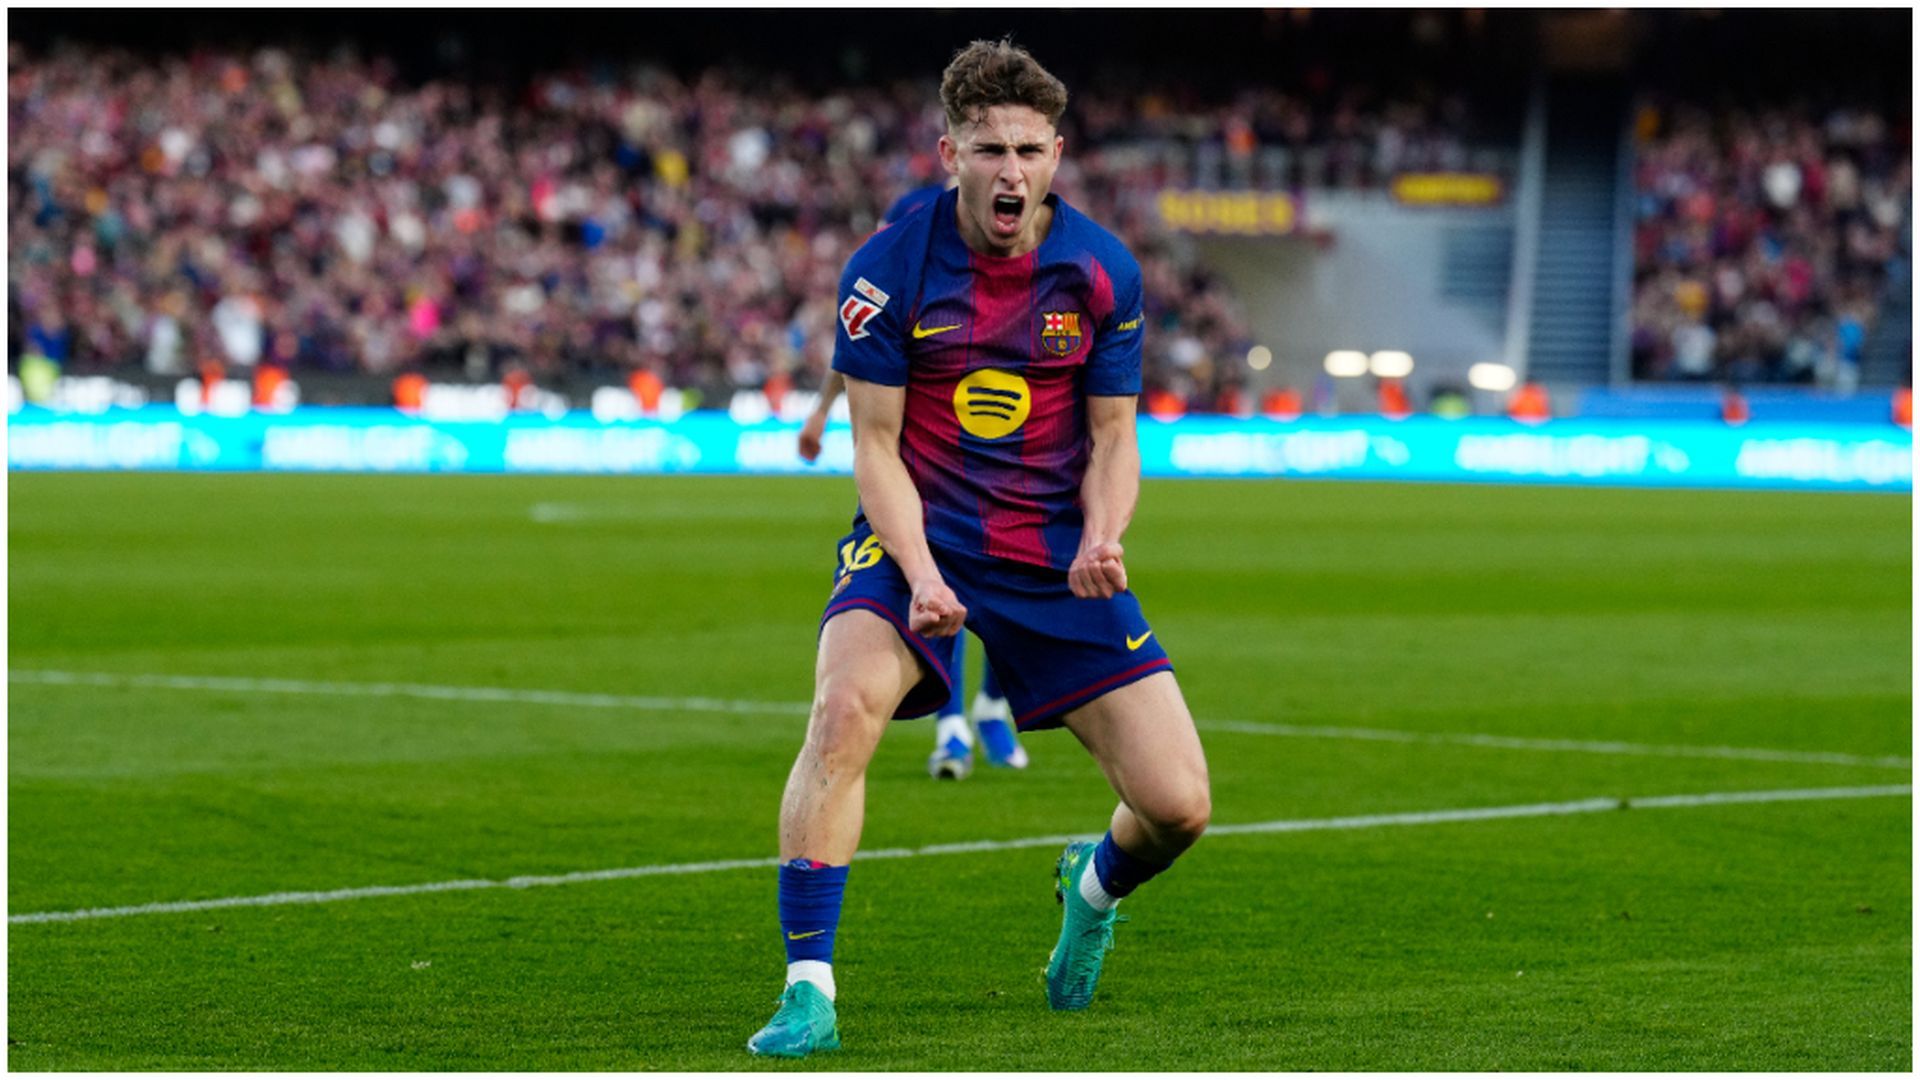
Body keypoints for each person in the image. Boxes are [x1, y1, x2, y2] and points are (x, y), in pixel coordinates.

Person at [748, 39, 1211, 1058]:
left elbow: (1114, 438)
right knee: (842, 711)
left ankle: (1088, 891)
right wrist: (916, 576)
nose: (1013, 172)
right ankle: (808, 991)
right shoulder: (887, 270)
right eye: (992, 149)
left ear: (1058, 154)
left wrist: (1103, 533)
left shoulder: (1100, 271)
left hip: (1052, 555)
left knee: (1178, 806)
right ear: (951, 151)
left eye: (1031, 151)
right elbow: (873, 446)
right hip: (919, 535)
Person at [799, 366, 1028, 780]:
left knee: (1019, 577)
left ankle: (993, 708)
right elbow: (855, 340)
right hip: (925, 450)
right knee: (939, 579)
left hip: (1012, 445)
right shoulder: (905, 302)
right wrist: (821, 411)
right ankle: (951, 726)